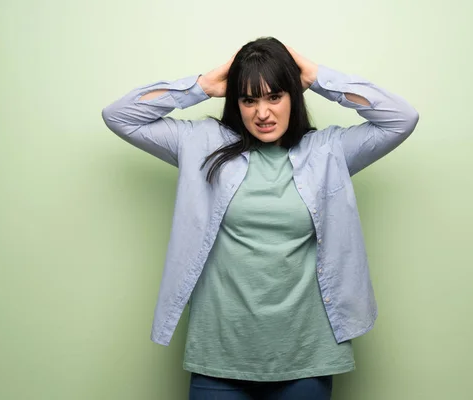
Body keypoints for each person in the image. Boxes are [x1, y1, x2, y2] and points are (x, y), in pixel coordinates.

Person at [102, 37, 419, 400]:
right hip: (218, 354)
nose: (262, 113)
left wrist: (317, 76)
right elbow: (120, 115)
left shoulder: (329, 152)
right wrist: (202, 85)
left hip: (307, 354)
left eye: (274, 96)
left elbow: (401, 118)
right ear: (236, 103)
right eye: (249, 99)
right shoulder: (201, 145)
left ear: (293, 97)